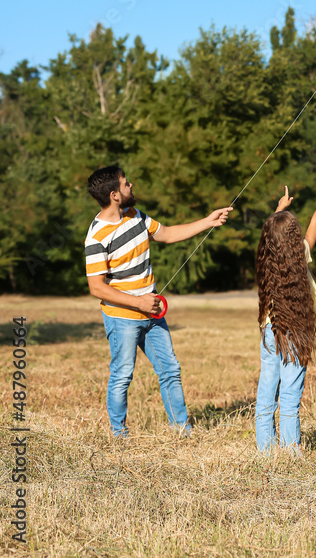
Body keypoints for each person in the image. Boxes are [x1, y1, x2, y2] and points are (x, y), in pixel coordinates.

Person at [84, 164, 232, 437]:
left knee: (171, 370)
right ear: (114, 194)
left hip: (152, 314)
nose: (131, 186)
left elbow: (168, 234)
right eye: (126, 183)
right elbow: (96, 287)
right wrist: (138, 302)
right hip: (123, 317)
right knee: (122, 376)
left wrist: (208, 221)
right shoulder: (96, 237)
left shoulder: (135, 216)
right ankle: (119, 435)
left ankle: (182, 430)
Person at [255, 176, 316, 452]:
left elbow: (272, 237)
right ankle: (290, 454)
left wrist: (278, 210)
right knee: (289, 399)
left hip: (271, 332)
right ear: (294, 239)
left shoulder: (266, 260)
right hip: (295, 333)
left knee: (266, 396)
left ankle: (265, 453)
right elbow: (315, 224)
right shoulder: (300, 254)